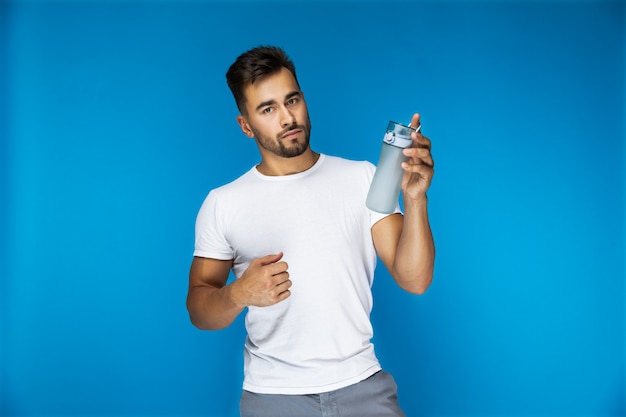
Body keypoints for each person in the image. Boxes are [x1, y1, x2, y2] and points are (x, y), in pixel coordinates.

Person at [187, 45, 435, 417]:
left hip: (363, 387)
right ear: (246, 125)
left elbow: (414, 279)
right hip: (273, 398)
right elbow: (199, 310)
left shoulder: (362, 178)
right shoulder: (223, 204)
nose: (287, 118)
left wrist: (415, 200)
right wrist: (238, 294)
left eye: (292, 100)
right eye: (268, 109)